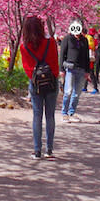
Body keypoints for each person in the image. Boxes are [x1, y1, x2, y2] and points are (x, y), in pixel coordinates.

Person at [19, 16, 59, 160]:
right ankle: (49, 150)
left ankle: (37, 151)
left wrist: (35, 77)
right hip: (52, 82)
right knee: (50, 116)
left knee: (37, 116)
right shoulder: (51, 42)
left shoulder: (24, 47)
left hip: (35, 84)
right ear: (42, 27)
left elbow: (27, 68)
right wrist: (52, 76)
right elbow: (55, 63)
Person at [59, 20, 90, 122]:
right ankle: (64, 113)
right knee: (68, 91)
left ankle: (72, 112)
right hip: (70, 69)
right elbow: (62, 54)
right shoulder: (67, 39)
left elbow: (86, 56)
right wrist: (61, 69)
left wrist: (87, 71)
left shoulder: (84, 40)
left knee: (77, 93)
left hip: (81, 69)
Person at [84, 27, 98, 93]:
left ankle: (95, 88)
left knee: (91, 73)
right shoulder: (88, 37)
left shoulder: (89, 38)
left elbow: (91, 47)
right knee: (86, 72)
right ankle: (85, 87)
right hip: (87, 58)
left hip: (89, 58)